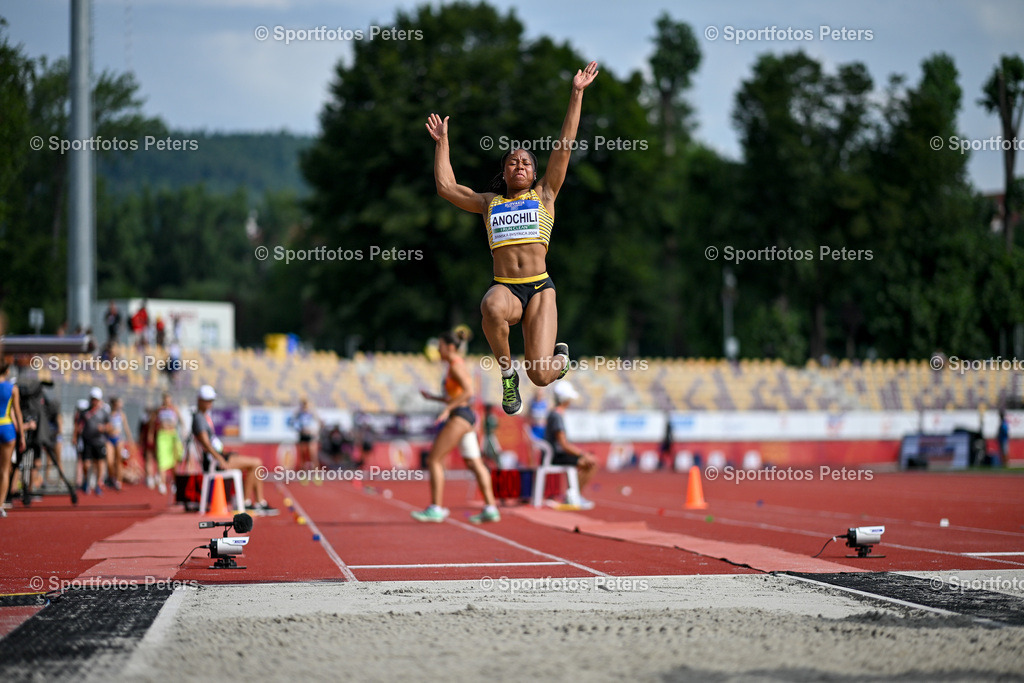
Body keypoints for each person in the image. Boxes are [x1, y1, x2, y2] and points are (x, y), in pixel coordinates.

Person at [426, 60, 600, 416]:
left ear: (535, 172)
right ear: (503, 172)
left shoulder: (545, 195)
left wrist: (576, 94)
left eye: (525, 163)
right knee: (489, 306)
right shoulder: (490, 203)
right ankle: (507, 374)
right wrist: (442, 143)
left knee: (539, 375)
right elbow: (446, 187)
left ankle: (561, 360)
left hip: (539, 289)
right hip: (506, 288)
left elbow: (565, 144)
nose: (518, 165)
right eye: (511, 162)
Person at [412, 329, 500, 524]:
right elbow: (457, 394)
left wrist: (447, 409)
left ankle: (436, 508)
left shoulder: (455, 365)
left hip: (459, 416)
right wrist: (434, 398)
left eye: (440, 346)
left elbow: (469, 392)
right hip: (465, 416)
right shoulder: (454, 365)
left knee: (434, 459)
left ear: (450, 347)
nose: (438, 350)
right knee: (474, 464)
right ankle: (491, 508)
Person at [191, 385, 276, 515]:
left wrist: (224, 452)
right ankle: (247, 502)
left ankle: (259, 502)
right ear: (199, 400)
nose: (210, 404)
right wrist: (220, 458)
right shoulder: (199, 418)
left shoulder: (203, 417)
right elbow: (206, 444)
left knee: (256, 463)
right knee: (256, 463)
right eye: (207, 400)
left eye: (211, 400)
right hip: (214, 462)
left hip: (218, 456)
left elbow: (211, 443)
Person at [544, 381, 597, 509]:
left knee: (588, 461)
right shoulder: (557, 416)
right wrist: (583, 454)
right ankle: (574, 495)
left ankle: (573, 494)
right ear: (565, 399)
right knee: (591, 463)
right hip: (556, 456)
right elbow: (563, 444)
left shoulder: (555, 414)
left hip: (555, 454)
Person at [0, 362, 26, 517]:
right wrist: (22, 436)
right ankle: (0, 504)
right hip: (7, 427)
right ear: (7, 370)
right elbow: (17, 413)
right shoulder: (12, 388)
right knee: (4, 470)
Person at [80, 387, 113, 495]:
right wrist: (75, 436)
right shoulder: (85, 412)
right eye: (92, 399)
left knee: (100, 463)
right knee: (86, 464)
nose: (94, 401)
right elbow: (78, 424)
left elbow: (109, 426)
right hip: (87, 441)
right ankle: (86, 480)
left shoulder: (104, 412)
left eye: (96, 399)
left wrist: (103, 428)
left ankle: (99, 484)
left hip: (99, 441)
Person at [154, 392, 182, 494]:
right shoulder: (159, 410)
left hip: (172, 435)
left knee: (174, 461)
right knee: (162, 460)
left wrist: (183, 432)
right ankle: (162, 482)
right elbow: (153, 423)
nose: (167, 401)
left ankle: (175, 482)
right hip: (162, 436)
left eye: (169, 398)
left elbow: (181, 421)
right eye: (165, 399)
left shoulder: (174, 409)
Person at [105, 397, 134, 490]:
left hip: (118, 439)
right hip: (109, 439)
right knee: (109, 461)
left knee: (119, 460)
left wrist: (130, 439)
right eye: (119, 403)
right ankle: (111, 477)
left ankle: (118, 480)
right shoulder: (108, 415)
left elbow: (126, 427)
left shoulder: (121, 415)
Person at [291, 398, 320, 470]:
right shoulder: (298, 413)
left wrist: (314, 431)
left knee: (312, 454)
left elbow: (318, 422)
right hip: (302, 435)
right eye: (303, 404)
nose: (304, 406)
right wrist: (299, 430)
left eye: (305, 404)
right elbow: (293, 423)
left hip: (311, 434)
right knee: (303, 454)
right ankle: (303, 472)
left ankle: (316, 472)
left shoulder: (311, 412)